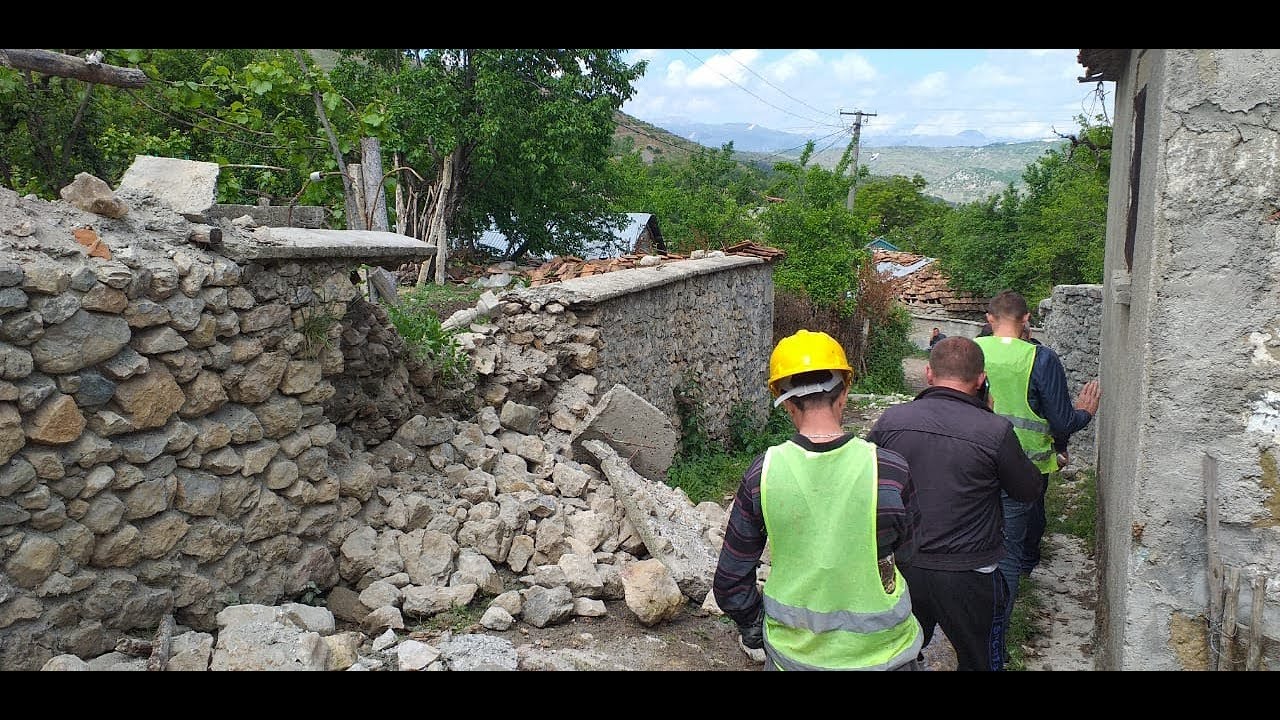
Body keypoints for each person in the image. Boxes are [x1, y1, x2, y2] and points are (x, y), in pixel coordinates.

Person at [713, 329, 924, 671]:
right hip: (887, 655)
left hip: (793, 658)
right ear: (844, 393)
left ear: (786, 403)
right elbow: (909, 554)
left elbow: (729, 581)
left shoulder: (763, 474)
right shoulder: (889, 470)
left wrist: (754, 628)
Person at [867, 337, 1043, 670]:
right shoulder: (995, 430)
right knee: (980, 660)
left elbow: (864, 481)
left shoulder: (891, 421)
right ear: (981, 380)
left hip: (904, 567)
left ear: (928, 373)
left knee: (895, 657)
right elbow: (1028, 490)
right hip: (970, 572)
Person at [973, 290, 1100, 620]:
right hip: (1027, 466)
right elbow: (1061, 421)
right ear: (1027, 319)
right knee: (1011, 548)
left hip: (975, 461)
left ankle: (972, 606)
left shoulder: (971, 351)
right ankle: (1002, 621)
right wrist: (1085, 414)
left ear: (989, 319)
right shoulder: (1041, 359)